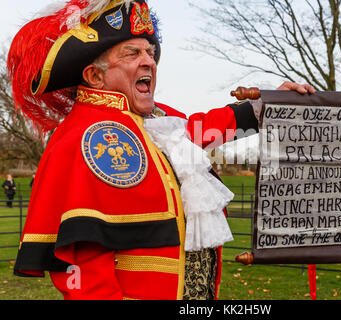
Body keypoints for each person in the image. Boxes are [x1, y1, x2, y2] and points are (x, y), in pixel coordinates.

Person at [8, 0, 315, 300]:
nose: (149, 61)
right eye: (132, 53)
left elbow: (200, 128)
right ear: (94, 75)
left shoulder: (156, 118)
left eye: (150, 53)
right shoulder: (80, 136)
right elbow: (82, 264)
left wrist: (265, 107)